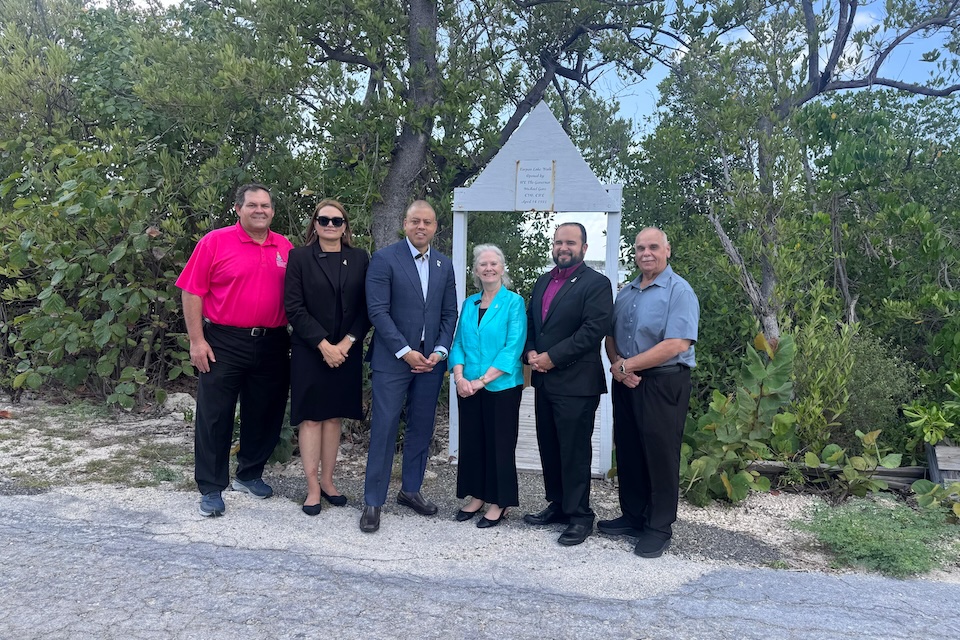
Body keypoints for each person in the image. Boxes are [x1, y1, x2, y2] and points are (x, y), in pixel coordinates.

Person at [176, 183, 293, 517]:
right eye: (253, 205)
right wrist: (197, 341)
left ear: (273, 211)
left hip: (272, 340)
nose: (260, 210)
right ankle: (212, 487)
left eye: (266, 205)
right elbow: (191, 291)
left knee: (266, 411)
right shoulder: (215, 242)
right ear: (238, 208)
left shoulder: (284, 246)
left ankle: (249, 473)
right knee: (215, 415)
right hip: (223, 340)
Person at [361, 200, 458, 533]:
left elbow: (449, 313)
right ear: (405, 224)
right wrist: (405, 351)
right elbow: (377, 311)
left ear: (435, 227)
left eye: (427, 222)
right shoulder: (385, 259)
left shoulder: (445, 265)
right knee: (385, 429)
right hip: (393, 361)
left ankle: (410, 489)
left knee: (421, 427)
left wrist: (441, 350)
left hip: (431, 363)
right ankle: (373, 501)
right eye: (415, 221)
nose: (421, 227)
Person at [602, 227, 699, 558]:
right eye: (641, 247)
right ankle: (633, 517)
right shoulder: (626, 293)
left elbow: (676, 344)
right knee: (628, 451)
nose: (646, 253)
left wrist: (627, 367)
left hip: (663, 383)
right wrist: (618, 365)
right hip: (627, 382)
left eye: (653, 247)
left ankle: (658, 527)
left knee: (660, 454)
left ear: (667, 250)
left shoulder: (679, 291)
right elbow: (610, 336)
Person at [522, 222, 613, 546]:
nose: (563, 247)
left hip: (576, 383)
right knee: (549, 446)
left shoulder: (597, 284)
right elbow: (533, 322)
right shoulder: (543, 281)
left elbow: (592, 331)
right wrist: (531, 349)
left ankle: (580, 515)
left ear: (584, 248)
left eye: (570, 242)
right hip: (545, 382)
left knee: (574, 452)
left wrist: (552, 357)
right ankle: (558, 505)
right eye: (559, 242)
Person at [285, 200, 369, 516]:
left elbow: (367, 308)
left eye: (337, 221)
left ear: (345, 226)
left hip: (346, 350)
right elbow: (293, 307)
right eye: (324, 220)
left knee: (334, 417)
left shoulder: (360, 259)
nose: (330, 225)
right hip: (310, 350)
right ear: (315, 224)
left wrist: (345, 344)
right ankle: (311, 489)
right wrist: (323, 344)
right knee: (311, 418)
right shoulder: (299, 257)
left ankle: (329, 481)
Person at [449, 245, 526, 528]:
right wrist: (459, 378)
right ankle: (478, 495)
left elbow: (512, 347)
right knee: (472, 443)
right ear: (476, 270)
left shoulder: (513, 303)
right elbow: (457, 343)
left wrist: (481, 382)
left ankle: (500, 501)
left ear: (502, 268)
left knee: (499, 444)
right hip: (467, 385)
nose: (489, 268)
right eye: (483, 264)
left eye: (494, 263)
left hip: (500, 386)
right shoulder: (469, 304)